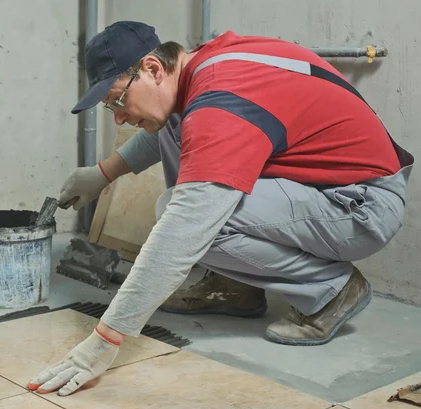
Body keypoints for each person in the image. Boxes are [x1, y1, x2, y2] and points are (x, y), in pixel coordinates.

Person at [27, 21, 414, 396]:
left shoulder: (220, 101)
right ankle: (238, 287)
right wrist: (102, 173)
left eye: (117, 99)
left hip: (360, 206)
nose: (119, 116)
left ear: (153, 68)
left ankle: (332, 290)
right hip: (331, 188)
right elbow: (169, 130)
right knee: (169, 127)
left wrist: (104, 340)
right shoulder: (202, 67)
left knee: (186, 217)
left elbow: (185, 229)